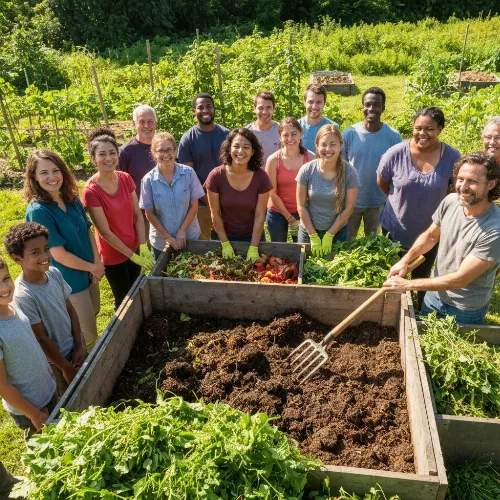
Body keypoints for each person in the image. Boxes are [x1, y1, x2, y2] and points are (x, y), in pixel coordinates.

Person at [384, 152, 500, 325]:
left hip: (463, 309)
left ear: (491, 184)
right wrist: (405, 262)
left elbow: (462, 279)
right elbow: (431, 236)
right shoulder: (451, 201)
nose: (463, 186)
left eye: (473, 181)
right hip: (434, 296)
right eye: (460, 179)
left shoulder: (494, 230)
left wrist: (407, 285)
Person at [376, 106, 461, 310]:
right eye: (418, 128)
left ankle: (420, 311)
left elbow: (454, 190)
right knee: (395, 273)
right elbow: (382, 182)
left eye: (429, 129)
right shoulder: (395, 153)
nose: (423, 134)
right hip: (395, 228)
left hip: (430, 230)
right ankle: (394, 312)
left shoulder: (452, 156)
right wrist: (401, 201)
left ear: (440, 129)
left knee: (422, 275)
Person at [24, 149, 103, 353]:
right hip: (70, 279)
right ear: (34, 177)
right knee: (87, 335)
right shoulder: (39, 211)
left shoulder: (71, 198)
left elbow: (87, 230)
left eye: (55, 170)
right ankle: (85, 375)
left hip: (89, 270)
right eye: (44, 173)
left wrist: (96, 262)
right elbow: (58, 254)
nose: (51, 177)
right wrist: (91, 267)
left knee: (94, 311)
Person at [5, 222, 84, 397]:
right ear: (17, 258)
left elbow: (70, 310)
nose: (45, 255)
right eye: (35, 252)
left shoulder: (54, 273)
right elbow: (41, 338)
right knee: (68, 402)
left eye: (46, 248)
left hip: (73, 347)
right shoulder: (23, 295)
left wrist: (79, 344)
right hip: (54, 363)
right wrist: (65, 367)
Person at [82, 128, 155, 311]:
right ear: (93, 159)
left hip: (134, 245)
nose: (109, 158)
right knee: (123, 297)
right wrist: (132, 256)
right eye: (102, 154)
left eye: (113, 153)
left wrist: (143, 245)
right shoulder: (91, 191)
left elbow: (138, 215)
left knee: (136, 288)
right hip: (113, 254)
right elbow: (105, 232)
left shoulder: (125, 178)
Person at [0, 254, 57, 439]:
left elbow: (28, 341)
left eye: (6, 278)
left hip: (47, 389)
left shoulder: (14, 305)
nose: (4, 287)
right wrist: (34, 414)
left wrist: (46, 367)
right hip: (30, 409)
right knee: (43, 454)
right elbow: (2, 385)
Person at [342, 87, 402, 240]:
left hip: (378, 201)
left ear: (383, 108)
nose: (371, 108)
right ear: (362, 106)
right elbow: (341, 166)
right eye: (367, 104)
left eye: (376, 105)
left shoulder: (393, 137)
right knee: (346, 242)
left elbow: (398, 171)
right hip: (351, 201)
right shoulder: (349, 133)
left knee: (372, 243)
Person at [205, 128, 273, 262]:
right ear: (229, 149)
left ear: (253, 151)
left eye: (246, 147)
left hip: (252, 236)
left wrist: (254, 247)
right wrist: (225, 243)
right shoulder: (215, 176)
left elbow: (260, 215)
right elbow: (215, 214)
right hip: (223, 236)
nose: (240, 151)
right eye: (236, 146)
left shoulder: (261, 177)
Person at [296, 124, 359, 255]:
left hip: (338, 233)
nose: (328, 149)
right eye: (323, 144)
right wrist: (313, 235)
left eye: (333, 144)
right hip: (308, 231)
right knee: (304, 271)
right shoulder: (307, 170)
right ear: (317, 147)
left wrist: (330, 234)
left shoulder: (350, 173)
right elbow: (301, 205)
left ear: (340, 145)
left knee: (334, 273)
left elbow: (348, 208)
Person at [140, 132, 205, 260]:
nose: (165, 155)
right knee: (164, 276)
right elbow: (150, 214)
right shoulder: (148, 180)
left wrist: (182, 231)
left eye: (169, 150)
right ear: (154, 153)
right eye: (161, 151)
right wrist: (167, 236)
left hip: (189, 237)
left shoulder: (188, 173)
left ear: (175, 151)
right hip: (161, 242)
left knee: (193, 273)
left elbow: (194, 206)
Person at [178, 93, 229, 240]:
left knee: (227, 240)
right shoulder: (188, 138)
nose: (205, 110)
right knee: (205, 244)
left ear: (214, 109)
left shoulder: (226, 135)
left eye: (209, 106)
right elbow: (189, 177)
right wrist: (210, 201)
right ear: (194, 111)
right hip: (201, 204)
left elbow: (233, 168)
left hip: (226, 201)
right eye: (200, 107)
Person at [265, 117, 315, 242]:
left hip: (302, 211)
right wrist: (290, 219)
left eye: (294, 134)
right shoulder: (273, 160)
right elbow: (272, 193)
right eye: (285, 135)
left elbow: (314, 188)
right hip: (277, 213)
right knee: (279, 251)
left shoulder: (310, 157)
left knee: (302, 252)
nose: (290, 139)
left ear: (301, 133)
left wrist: (302, 216)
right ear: (280, 137)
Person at [118, 104, 157, 198]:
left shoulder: (164, 147)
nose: (146, 125)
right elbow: (119, 186)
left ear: (156, 123)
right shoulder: (125, 152)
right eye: (142, 122)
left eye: (150, 121)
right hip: (139, 210)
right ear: (133, 123)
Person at [299, 84, 339, 153]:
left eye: (319, 102)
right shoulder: (296, 127)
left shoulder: (333, 128)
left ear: (324, 103)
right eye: (310, 102)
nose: (314, 107)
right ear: (304, 102)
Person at [246, 90, 280, 166]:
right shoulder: (247, 133)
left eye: (268, 108)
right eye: (260, 108)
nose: (264, 112)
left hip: (275, 176)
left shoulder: (281, 130)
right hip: (253, 176)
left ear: (274, 109)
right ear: (254, 108)